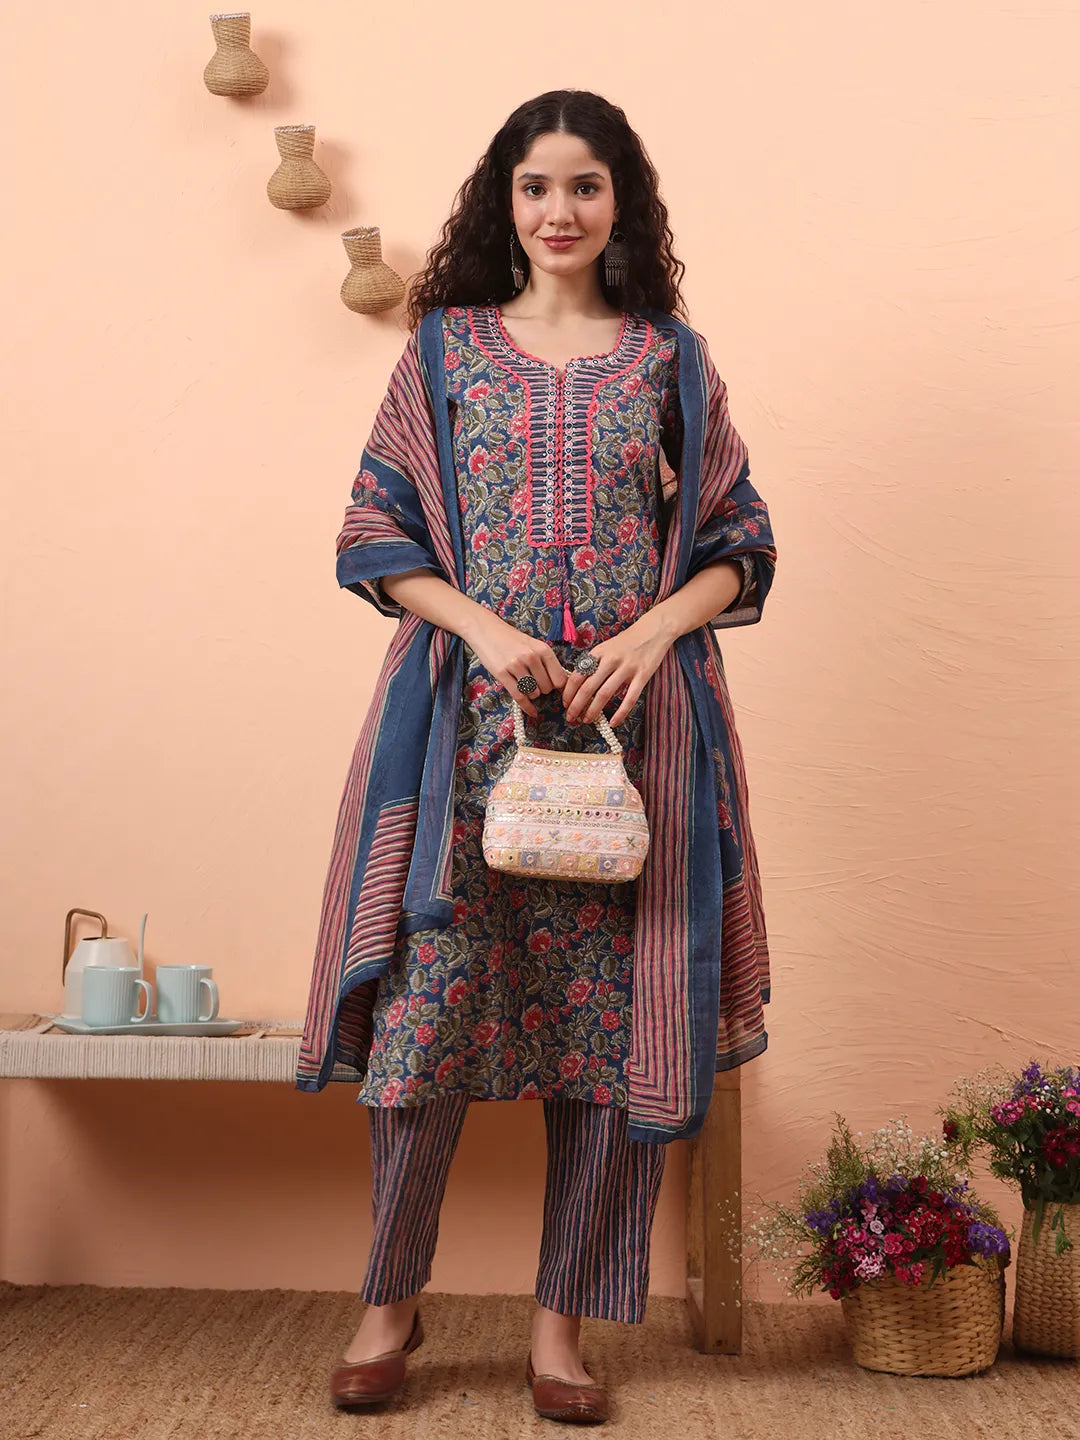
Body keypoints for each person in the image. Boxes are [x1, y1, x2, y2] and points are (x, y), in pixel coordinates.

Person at [295, 88, 778, 1421]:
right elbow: (375, 533)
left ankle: (561, 1332)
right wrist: (490, 629)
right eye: (534, 186)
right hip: (466, 733)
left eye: (584, 185)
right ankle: (387, 1307)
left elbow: (742, 544)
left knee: (611, 1036)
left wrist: (653, 635)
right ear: (503, 203)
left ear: (623, 202)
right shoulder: (443, 351)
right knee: (424, 1025)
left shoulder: (671, 361)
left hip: (633, 743)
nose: (559, 211)